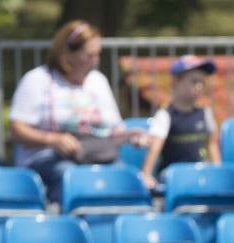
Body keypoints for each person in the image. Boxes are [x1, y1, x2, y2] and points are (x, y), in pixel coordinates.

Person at [9, 20, 145, 204]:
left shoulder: (98, 81)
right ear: (67, 54)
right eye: (89, 55)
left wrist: (130, 135)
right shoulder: (37, 80)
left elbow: (113, 130)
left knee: (127, 180)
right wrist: (53, 140)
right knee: (73, 179)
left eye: (97, 55)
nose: (95, 62)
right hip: (48, 159)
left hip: (97, 156)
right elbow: (17, 130)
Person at [138, 55, 220, 190]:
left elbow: (212, 144)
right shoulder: (165, 115)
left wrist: (218, 172)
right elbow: (155, 148)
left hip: (200, 175)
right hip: (172, 177)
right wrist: (146, 174)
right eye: (193, 81)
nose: (199, 86)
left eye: (202, 82)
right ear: (176, 81)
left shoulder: (205, 113)